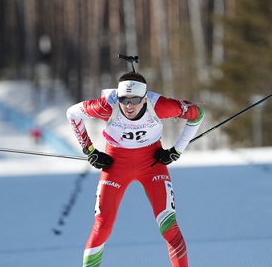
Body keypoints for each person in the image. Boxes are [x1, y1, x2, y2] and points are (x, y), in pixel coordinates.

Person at [66, 71, 205, 267]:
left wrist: (177, 150)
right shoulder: (107, 106)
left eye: (135, 100)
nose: (129, 106)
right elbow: (72, 113)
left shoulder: (161, 106)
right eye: (124, 99)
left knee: (169, 227)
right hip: (116, 165)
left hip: (152, 165)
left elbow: (197, 114)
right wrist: (89, 150)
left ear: (145, 98)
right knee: (101, 228)